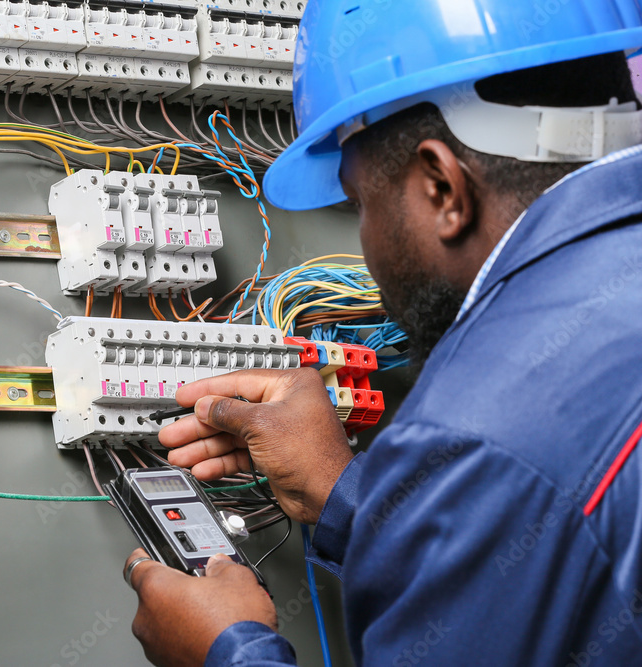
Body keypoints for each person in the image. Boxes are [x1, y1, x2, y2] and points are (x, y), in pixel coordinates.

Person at [123, 2, 642, 665]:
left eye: (358, 203)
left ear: (441, 187)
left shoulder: (478, 436)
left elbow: (521, 479)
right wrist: (355, 498)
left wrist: (226, 651)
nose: (364, 239)